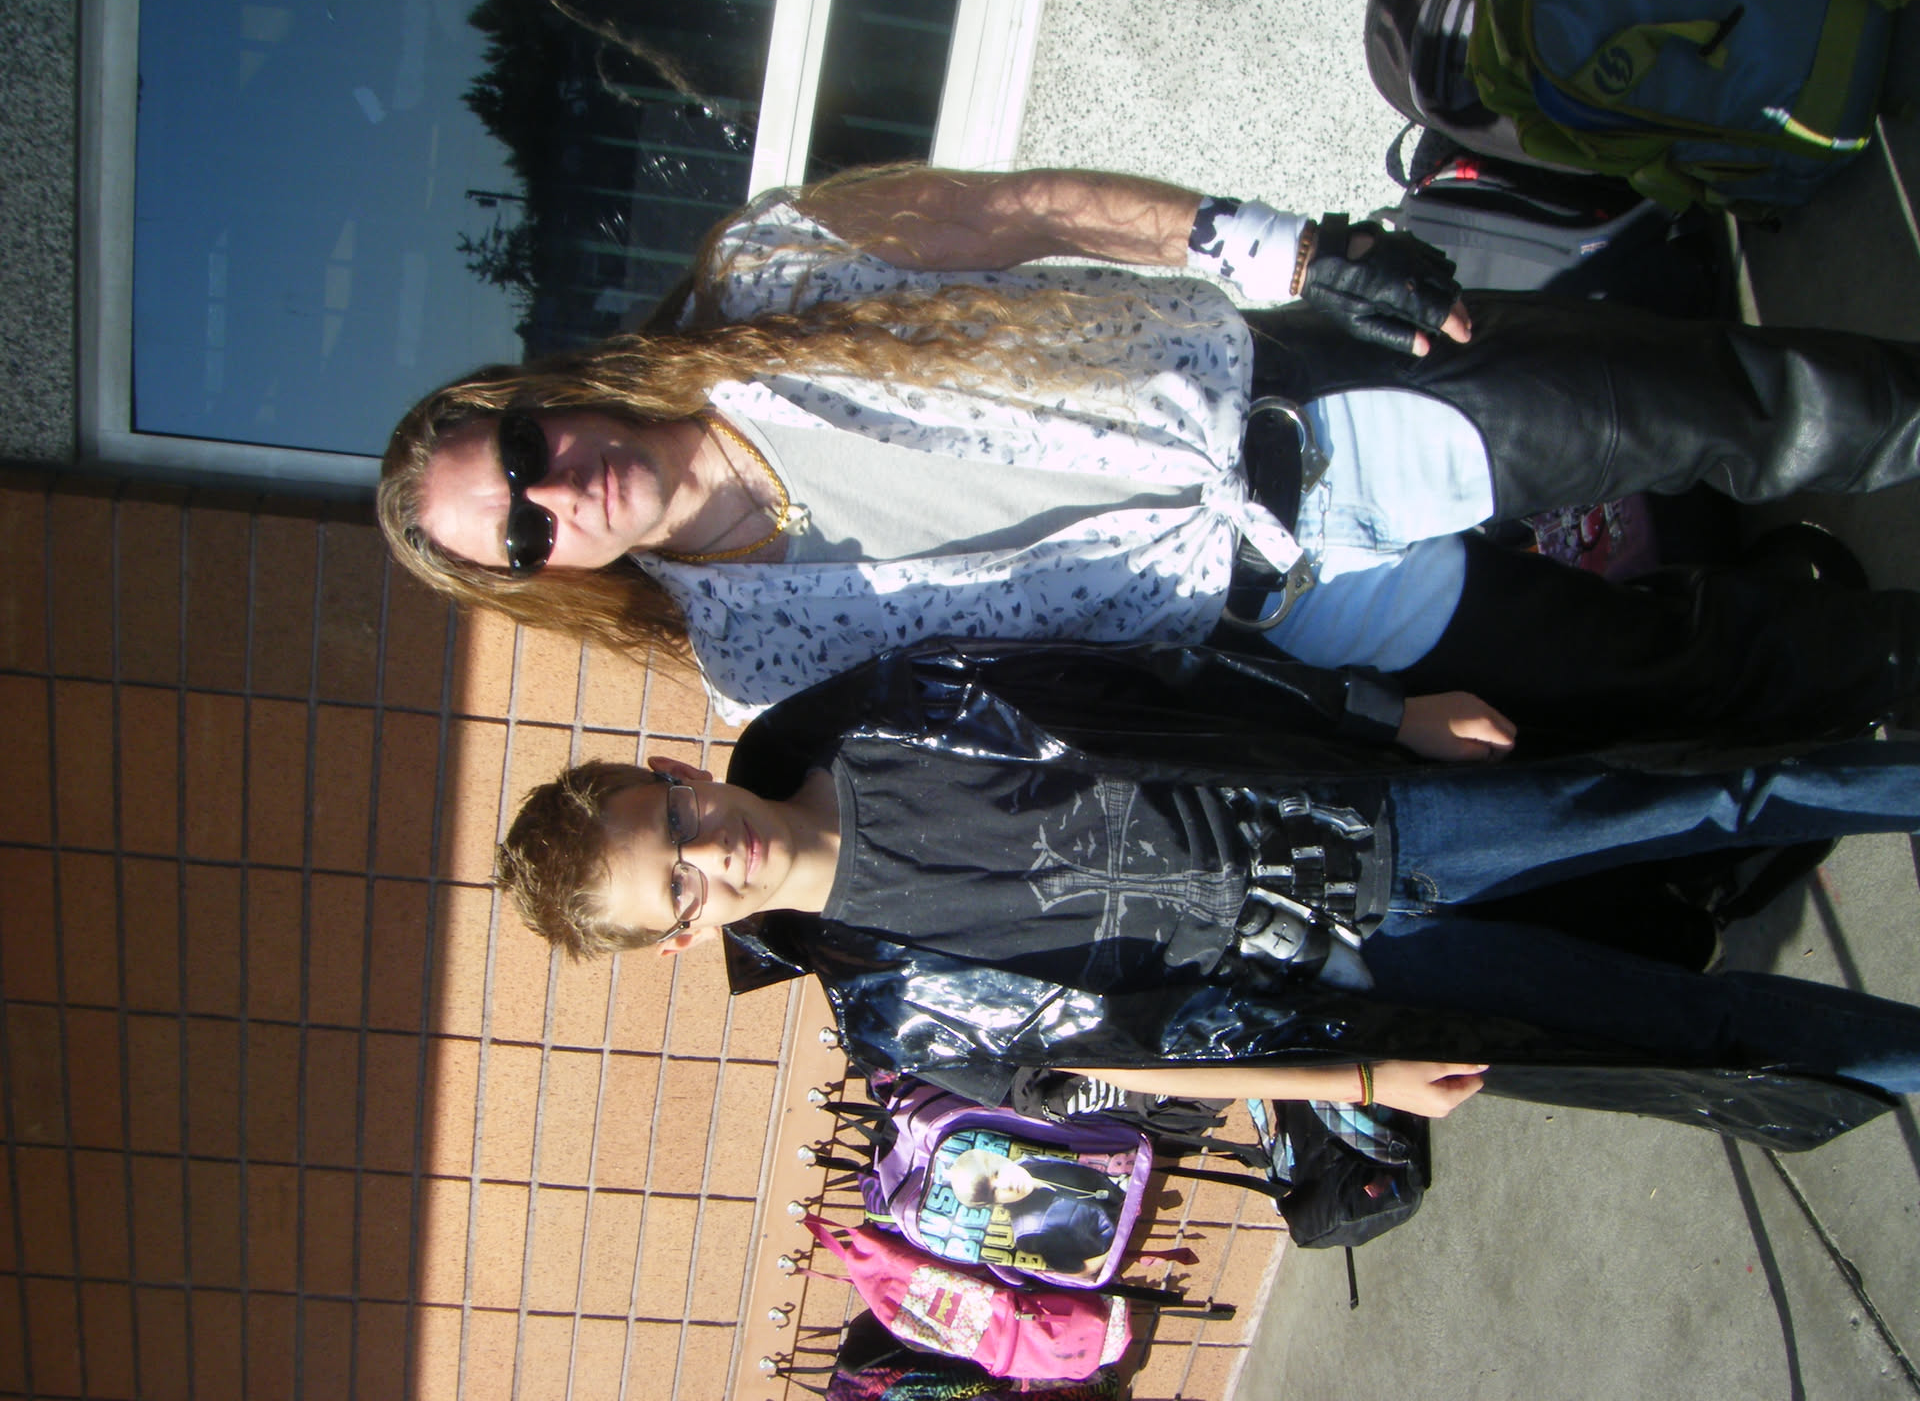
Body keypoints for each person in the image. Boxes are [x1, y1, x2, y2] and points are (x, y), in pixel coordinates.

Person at [380, 166, 1920, 748]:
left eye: (519, 446)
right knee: (1672, 678)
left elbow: (1023, 211)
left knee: (1726, 407)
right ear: (538, 579)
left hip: (1302, 411)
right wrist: (1363, 720)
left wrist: (1299, 251)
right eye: (519, 531)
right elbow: (1073, 728)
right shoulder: (757, 673)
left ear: (540, 392)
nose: (551, 490)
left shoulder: (767, 274)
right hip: (1301, 617)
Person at [494, 638, 1920, 1149]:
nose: (710, 854)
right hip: (1356, 981)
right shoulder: (895, 1015)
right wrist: (1359, 1077)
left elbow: (1162, 670)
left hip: (1375, 817)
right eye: (677, 887)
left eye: (676, 820)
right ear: (681, 937)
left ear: (676, 772)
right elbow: (1133, 1065)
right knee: (1687, 1028)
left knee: (1711, 800)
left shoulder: (901, 706)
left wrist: (1385, 712)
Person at [942, 1148, 1127, 1278]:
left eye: (997, 1173)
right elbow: (1080, 1270)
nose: (1006, 1185)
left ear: (1001, 1158)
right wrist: (1120, 1243)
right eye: (994, 1191)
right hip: (1126, 1242)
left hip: (1127, 1189)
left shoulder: (1031, 1162)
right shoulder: (1031, 1231)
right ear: (994, 1203)